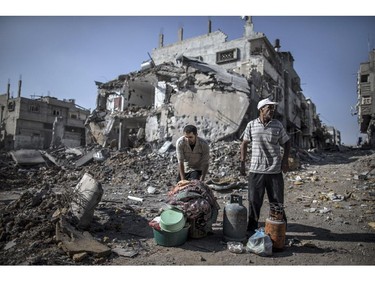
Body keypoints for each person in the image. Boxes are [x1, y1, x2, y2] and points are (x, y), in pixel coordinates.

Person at [240, 97, 291, 235]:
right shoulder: (251, 125)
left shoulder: (277, 125)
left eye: (273, 108)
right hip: (256, 170)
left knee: (277, 201)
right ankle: (251, 229)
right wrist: (242, 163)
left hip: (274, 170)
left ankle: (280, 229)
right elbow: (244, 143)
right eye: (269, 108)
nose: (272, 111)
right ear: (261, 110)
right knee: (254, 201)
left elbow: (286, 142)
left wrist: (285, 160)